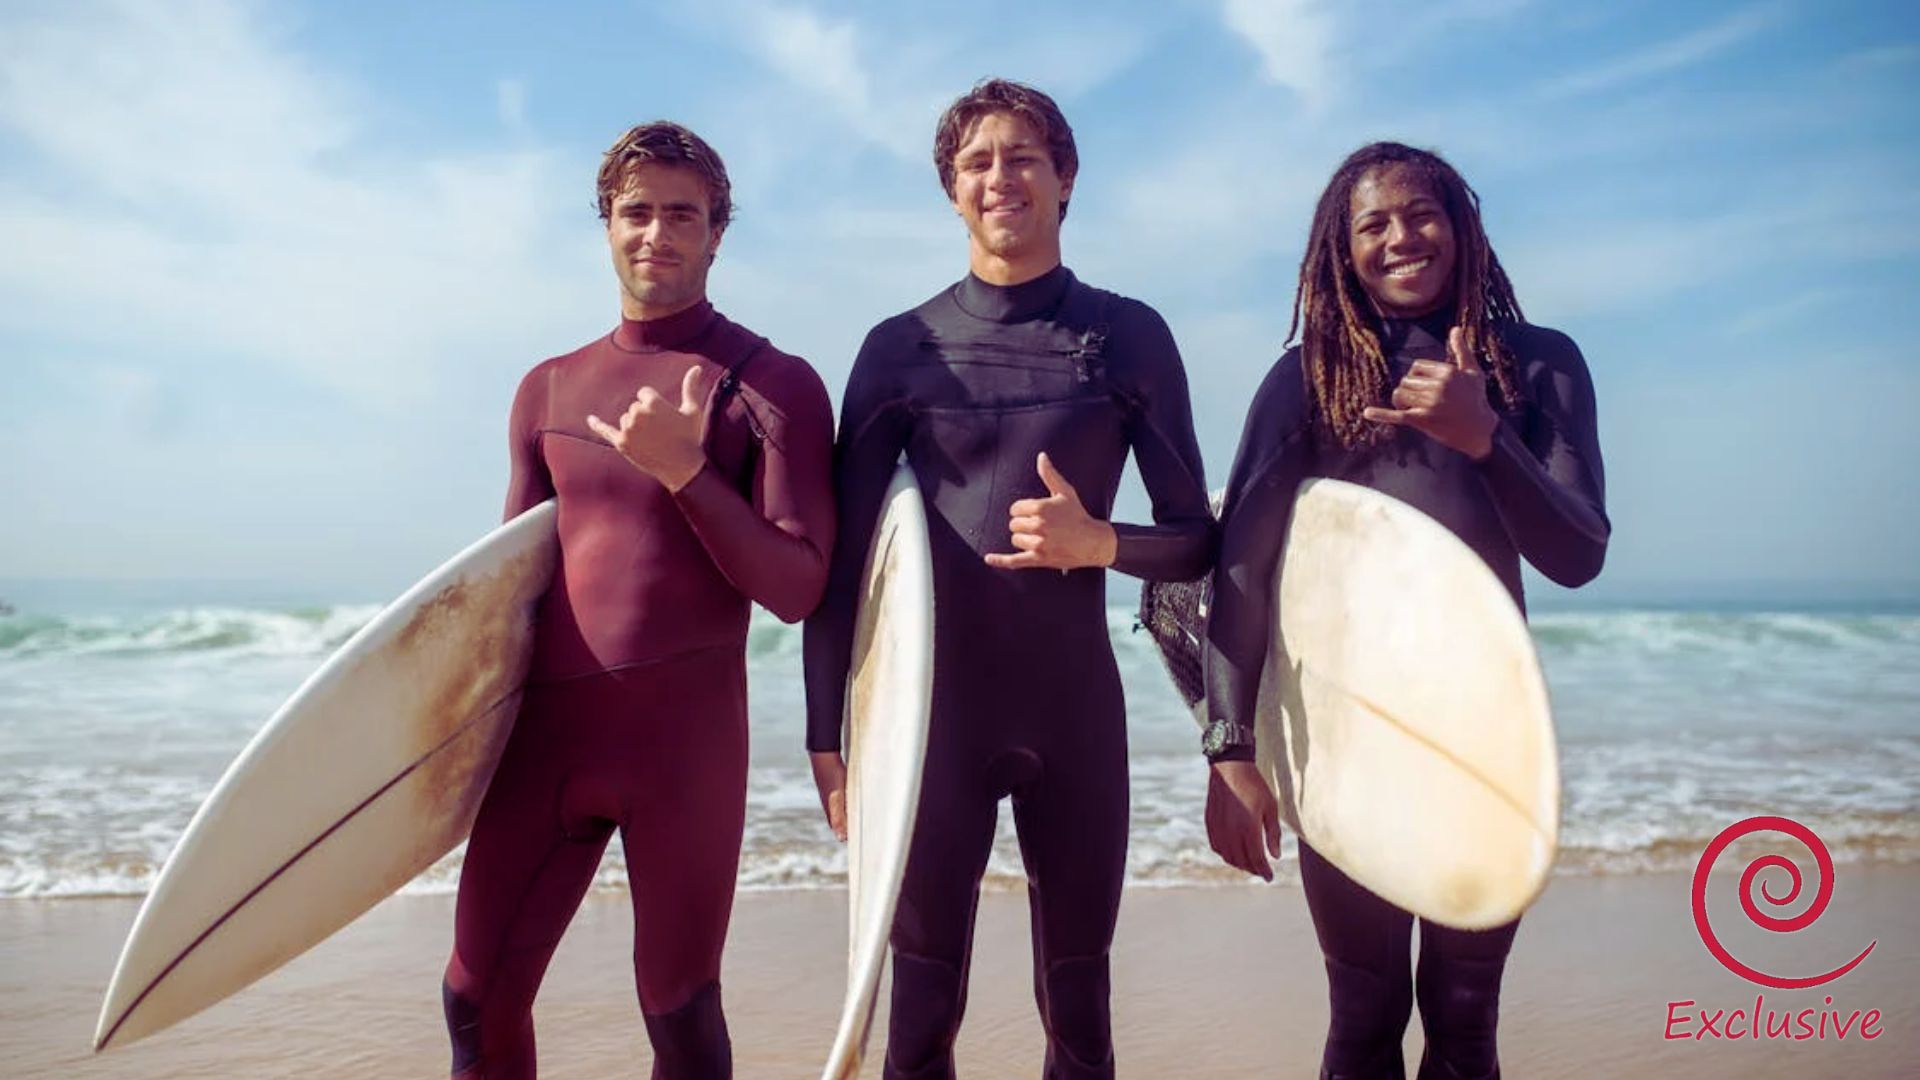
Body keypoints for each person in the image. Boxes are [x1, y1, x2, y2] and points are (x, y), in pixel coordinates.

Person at [803, 78, 1215, 1079]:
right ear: (952, 190)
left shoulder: (1129, 336)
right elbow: (847, 563)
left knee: (1080, 1016)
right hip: (930, 728)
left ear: (1065, 178)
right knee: (917, 1017)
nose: (1001, 178)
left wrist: (1099, 543)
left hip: (1074, 715)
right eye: (978, 162)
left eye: (1023, 157)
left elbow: (1197, 541)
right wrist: (826, 736)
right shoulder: (898, 351)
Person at [1201, 141, 1609, 1079]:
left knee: (1465, 1016)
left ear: (1461, 226)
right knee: (1365, 1009)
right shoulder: (1309, 377)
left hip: (1484, 729)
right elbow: (1244, 569)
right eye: (1373, 224)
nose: (1400, 238)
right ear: (1341, 250)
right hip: (1347, 730)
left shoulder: (1539, 366)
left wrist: (1485, 437)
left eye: (1421, 214)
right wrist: (1229, 748)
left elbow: (1578, 554)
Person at [440, 121, 836, 1079]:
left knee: (679, 1014)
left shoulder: (772, 386)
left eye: (682, 215)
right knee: (474, 999)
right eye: (637, 212)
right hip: (544, 743)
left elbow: (797, 587)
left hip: (682, 751)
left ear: (717, 233)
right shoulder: (547, 389)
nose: (657, 233)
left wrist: (686, 472)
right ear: (608, 225)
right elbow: (508, 591)